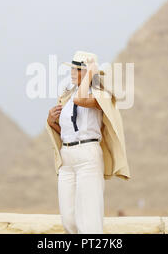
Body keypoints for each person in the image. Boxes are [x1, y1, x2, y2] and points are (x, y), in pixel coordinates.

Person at [46, 50, 131, 234]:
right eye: (72, 69)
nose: (72, 73)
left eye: (78, 70)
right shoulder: (67, 98)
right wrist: (51, 121)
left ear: (89, 74)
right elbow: (68, 133)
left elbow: (81, 99)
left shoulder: (101, 96)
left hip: (88, 157)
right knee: (69, 220)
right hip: (67, 159)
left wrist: (92, 73)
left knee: (89, 222)